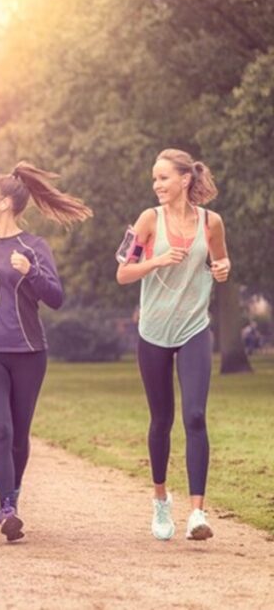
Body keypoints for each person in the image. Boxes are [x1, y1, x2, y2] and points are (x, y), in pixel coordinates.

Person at [0, 161, 92, 542]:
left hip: (28, 352)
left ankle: (11, 497)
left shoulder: (34, 247)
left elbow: (56, 298)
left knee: (19, 436)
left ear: (6, 203)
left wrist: (31, 271)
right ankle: (7, 509)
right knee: (0, 428)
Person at [116, 148, 230, 541]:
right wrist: (157, 261)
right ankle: (161, 500)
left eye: (164, 178)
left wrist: (223, 268)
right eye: (154, 179)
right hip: (153, 332)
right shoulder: (149, 220)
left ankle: (197, 513)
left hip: (195, 327)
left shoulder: (212, 222)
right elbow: (123, 273)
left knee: (195, 416)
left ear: (185, 179)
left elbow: (219, 265)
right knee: (161, 420)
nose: (157, 185)